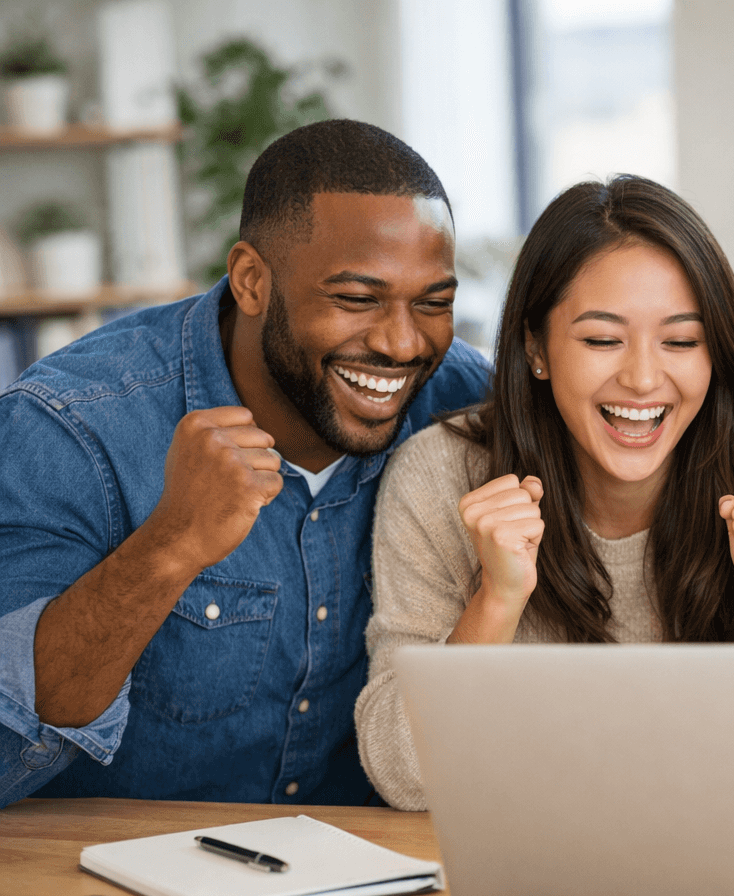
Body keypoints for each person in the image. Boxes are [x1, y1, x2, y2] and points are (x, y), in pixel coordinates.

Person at [0, 120, 490, 806]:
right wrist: (171, 544)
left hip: (373, 886)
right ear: (252, 281)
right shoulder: (72, 426)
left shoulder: (468, 408)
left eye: (434, 303)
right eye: (356, 299)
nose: (402, 343)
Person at [356, 176, 734, 810]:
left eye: (682, 341)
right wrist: (494, 605)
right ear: (536, 349)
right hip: (530, 868)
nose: (641, 378)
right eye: (602, 340)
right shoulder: (439, 478)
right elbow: (404, 779)